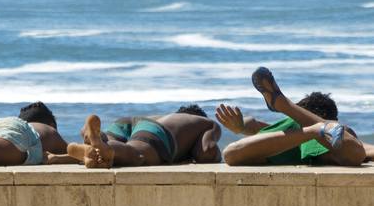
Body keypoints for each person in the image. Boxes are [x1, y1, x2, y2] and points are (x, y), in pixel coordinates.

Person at [216, 67, 365, 167]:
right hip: (325, 132)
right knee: (354, 152)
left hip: (324, 133)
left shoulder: (298, 132)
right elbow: (254, 124)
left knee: (230, 154)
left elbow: (253, 125)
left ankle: (286, 106)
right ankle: (286, 106)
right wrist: (240, 127)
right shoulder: (289, 129)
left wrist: (240, 127)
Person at [56, 105, 222, 169]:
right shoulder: (207, 123)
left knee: (107, 147)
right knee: (137, 154)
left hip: (130, 122)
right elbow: (207, 151)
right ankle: (104, 147)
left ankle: (88, 147)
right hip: (154, 131)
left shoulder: (167, 117)